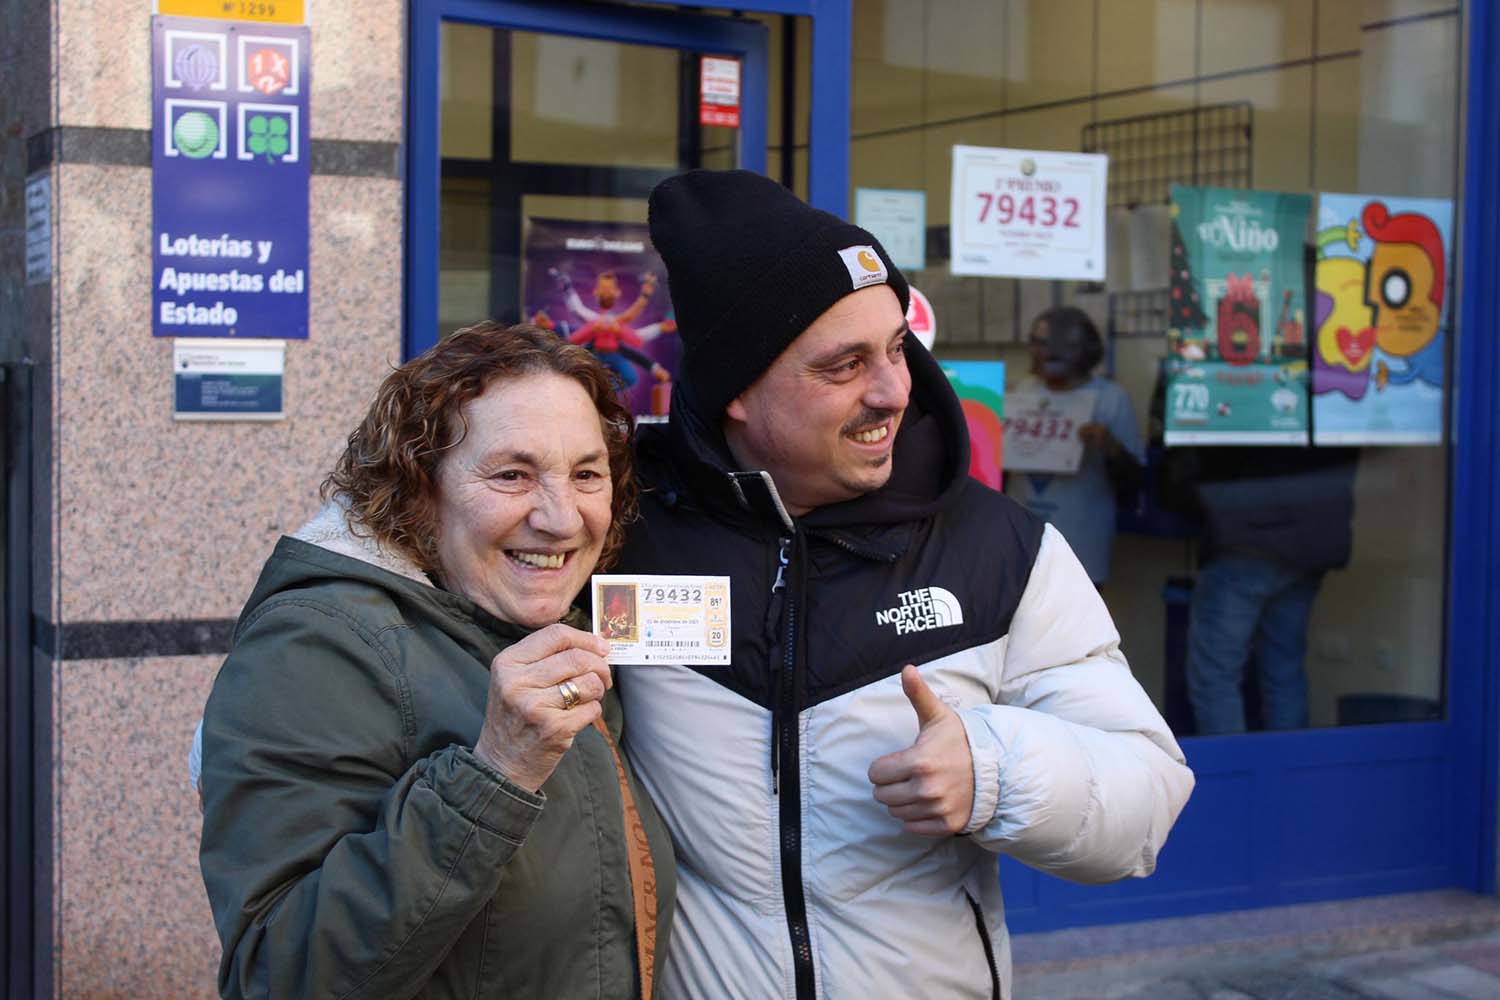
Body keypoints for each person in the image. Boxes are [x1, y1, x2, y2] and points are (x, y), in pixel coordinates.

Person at [616, 169, 1195, 999]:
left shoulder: (1000, 551)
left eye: (896, 348)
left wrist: (996, 770)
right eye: (845, 365)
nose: (893, 390)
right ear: (734, 391)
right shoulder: (624, 532)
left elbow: (1149, 797)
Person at [197, 323, 675, 999]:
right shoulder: (315, 645)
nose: (563, 518)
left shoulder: (542, 623)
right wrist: (497, 772)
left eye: (587, 474)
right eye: (512, 475)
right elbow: (276, 977)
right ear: (419, 490)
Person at [1179, 446, 1358, 734]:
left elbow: (1212, 455)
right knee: (1284, 672)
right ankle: (1290, 762)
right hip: (1312, 537)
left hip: (1248, 534)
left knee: (1215, 676)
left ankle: (1233, 764)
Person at [1007, 305, 1146, 584]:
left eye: (1063, 346)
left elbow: (1136, 480)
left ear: (1087, 350)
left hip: (1082, 541)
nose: (1049, 353)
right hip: (1023, 538)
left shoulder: (1110, 399)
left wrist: (1111, 448)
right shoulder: (1022, 392)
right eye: (1040, 343)